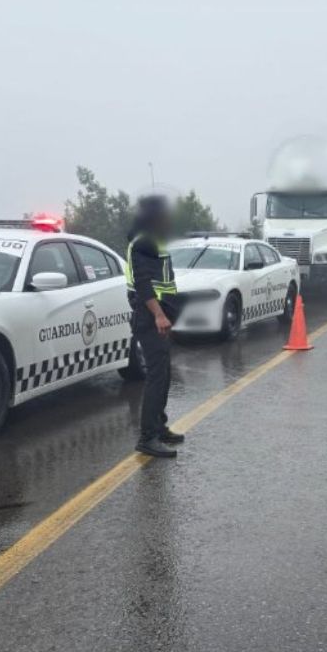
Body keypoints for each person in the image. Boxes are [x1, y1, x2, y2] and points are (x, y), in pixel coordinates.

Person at [125, 193, 185, 458]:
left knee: (164, 375)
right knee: (156, 377)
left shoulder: (155, 240)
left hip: (159, 318)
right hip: (150, 318)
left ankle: (159, 427)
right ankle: (147, 437)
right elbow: (143, 283)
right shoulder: (143, 242)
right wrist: (159, 314)